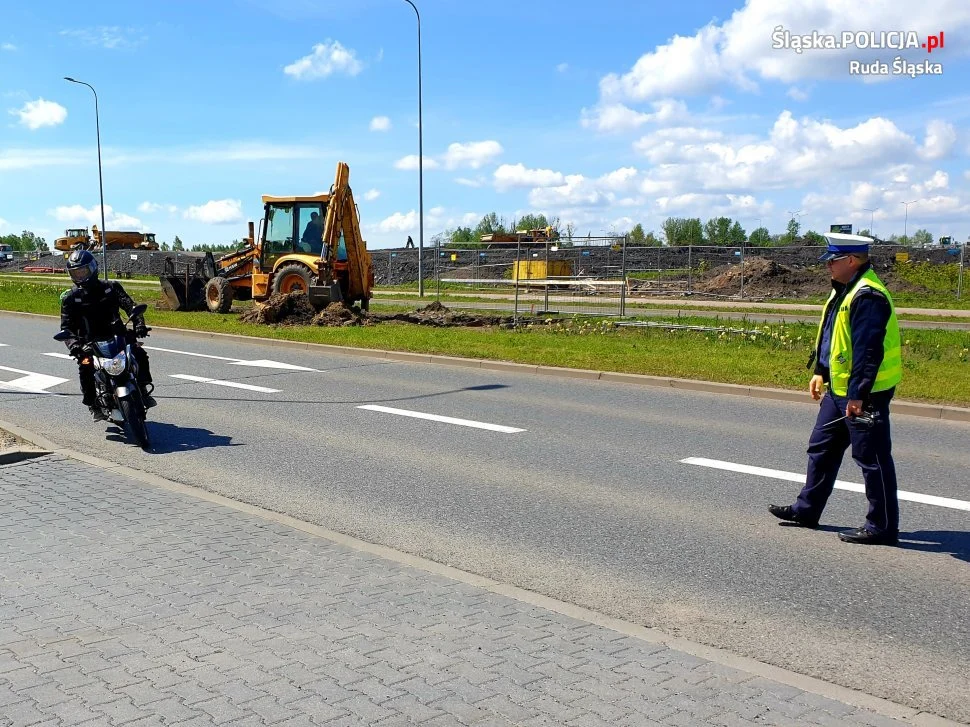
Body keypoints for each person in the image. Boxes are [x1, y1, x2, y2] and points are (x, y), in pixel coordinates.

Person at [768, 234, 902, 545]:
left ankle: (882, 527)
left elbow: (868, 352)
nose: (828, 265)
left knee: (872, 459)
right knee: (822, 448)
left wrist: (858, 395)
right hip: (838, 390)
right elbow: (832, 337)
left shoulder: (868, 295)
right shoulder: (843, 289)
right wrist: (820, 371)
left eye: (833, 260)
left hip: (864, 394)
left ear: (852, 260)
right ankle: (807, 510)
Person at [59, 249, 157, 421]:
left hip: (117, 335)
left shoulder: (111, 288)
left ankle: (142, 388)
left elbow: (130, 306)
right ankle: (93, 404)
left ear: (92, 268)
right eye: (76, 273)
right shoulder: (71, 298)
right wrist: (74, 345)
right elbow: (66, 328)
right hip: (88, 343)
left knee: (139, 353)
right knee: (85, 366)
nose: (80, 276)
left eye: (83, 271)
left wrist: (139, 324)